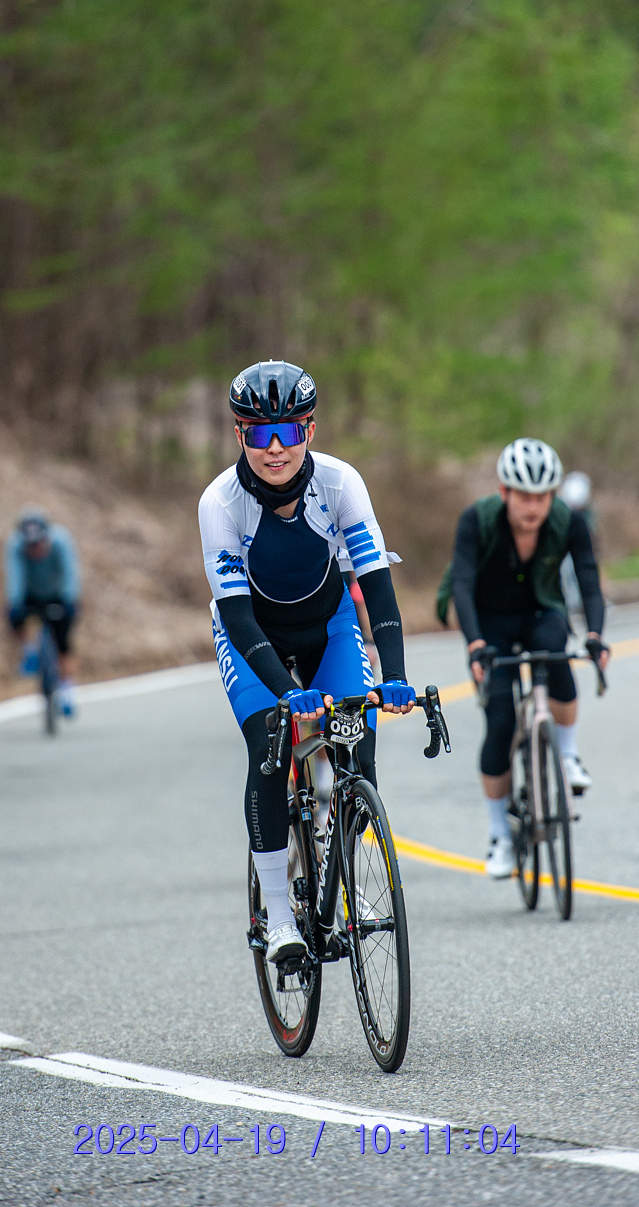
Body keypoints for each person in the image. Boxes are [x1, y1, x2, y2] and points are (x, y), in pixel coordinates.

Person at [198, 360, 416, 965]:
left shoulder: (341, 485)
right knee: (269, 748)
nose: (275, 448)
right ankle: (277, 916)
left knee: (357, 751)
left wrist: (395, 676)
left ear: (310, 432)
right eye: (259, 433)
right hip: (251, 636)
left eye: (288, 432)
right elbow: (237, 616)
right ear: (239, 434)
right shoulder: (220, 502)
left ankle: (339, 876)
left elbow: (377, 588)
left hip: (329, 627)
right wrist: (284, 692)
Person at [449, 439, 609, 880]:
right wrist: (474, 644)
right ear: (505, 492)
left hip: (541, 611)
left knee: (557, 651)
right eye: (524, 496)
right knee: (500, 722)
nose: (533, 506)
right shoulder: (477, 520)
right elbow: (461, 583)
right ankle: (499, 833)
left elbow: (589, 578)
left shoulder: (569, 521)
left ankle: (568, 755)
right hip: (490, 623)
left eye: (542, 496)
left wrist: (595, 636)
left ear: (553, 495)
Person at [3, 507, 80, 716]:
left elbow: (70, 573)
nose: (35, 549)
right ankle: (29, 651)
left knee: (63, 641)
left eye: (39, 543)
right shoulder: (15, 546)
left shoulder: (61, 542)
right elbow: (14, 576)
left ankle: (67, 690)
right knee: (12, 616)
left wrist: (70, 599)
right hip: (31, 594)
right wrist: (14, 602)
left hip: (58, 594)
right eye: (31, 545)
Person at [558, 471, 595, 619]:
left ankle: (577, 603)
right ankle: (571, 602)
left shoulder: (586, 513)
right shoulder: (564, 511)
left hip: (580, 543)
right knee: (566, 571)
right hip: (565, 544)